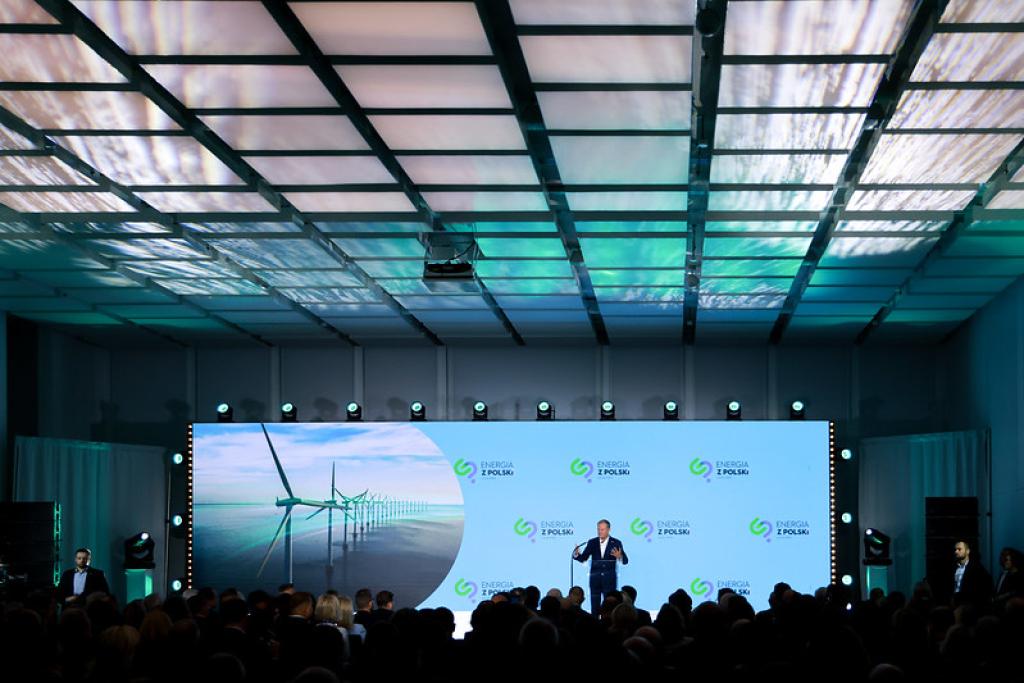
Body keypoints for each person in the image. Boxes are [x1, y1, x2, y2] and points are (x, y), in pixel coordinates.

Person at [573, 519, 629, 615]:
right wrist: (576, 554)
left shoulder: (616, 542)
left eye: (602, 529)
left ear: (608, 530)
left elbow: (625, 561)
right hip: (595, 579)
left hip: (609, 580)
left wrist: (620, 556)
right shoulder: (592, 542)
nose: (600, 531)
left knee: (610, 607)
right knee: (595, 607)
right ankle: (594, 622)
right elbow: (583, 558)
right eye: (598, 529)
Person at [951, 540, 993, 607]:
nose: (956, 551)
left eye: (959, 549)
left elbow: (986, 584)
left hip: (969, 603)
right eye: (955, 549)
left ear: (967, 551)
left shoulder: (976, 568)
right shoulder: (953, 568)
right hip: (955, 601)